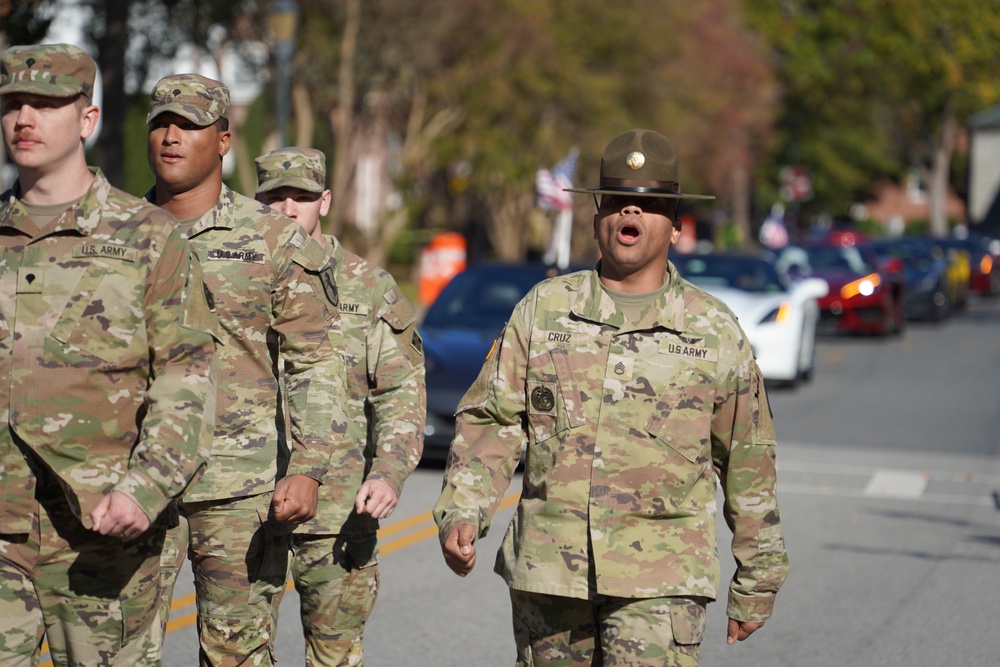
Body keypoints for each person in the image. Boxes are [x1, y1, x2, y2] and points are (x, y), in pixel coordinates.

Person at [433, 129, 789, 666]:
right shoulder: (544, 309)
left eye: (648, 204)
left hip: (662, 581)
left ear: (673, 223)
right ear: (598, 214)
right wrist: (464, 510)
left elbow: (747, 456)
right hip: (550, 575)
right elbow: (493, 419)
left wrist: (757, 576)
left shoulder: (713, 330)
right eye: (619, 201)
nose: (631, 213)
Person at [0, 44, 218, 665]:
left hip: (104, 534)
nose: (25, 118)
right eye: (13, 103)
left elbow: (189, 377)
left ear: (87, 120)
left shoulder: (149, 237)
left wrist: (144, 488)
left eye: (46, 104)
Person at [144, 74, 349, 666]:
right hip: (135, 485)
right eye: (161, 123)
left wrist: (309, 467)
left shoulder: (274, 238)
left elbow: (315, 358)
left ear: (225, 140)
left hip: (236, 490)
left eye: (189, 124)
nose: (172, 136)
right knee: (115, 654)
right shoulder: (118, 230)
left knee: (236, 657)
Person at [254, 146, 426, 666]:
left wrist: (389, 472)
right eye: (274, 199)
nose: (287, 210)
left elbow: (400, 391)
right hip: (246, 506)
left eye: (301, 197)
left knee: (335, 657)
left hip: (338, 513)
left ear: (323, 201)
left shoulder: (368, 287)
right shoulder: (234, 280)